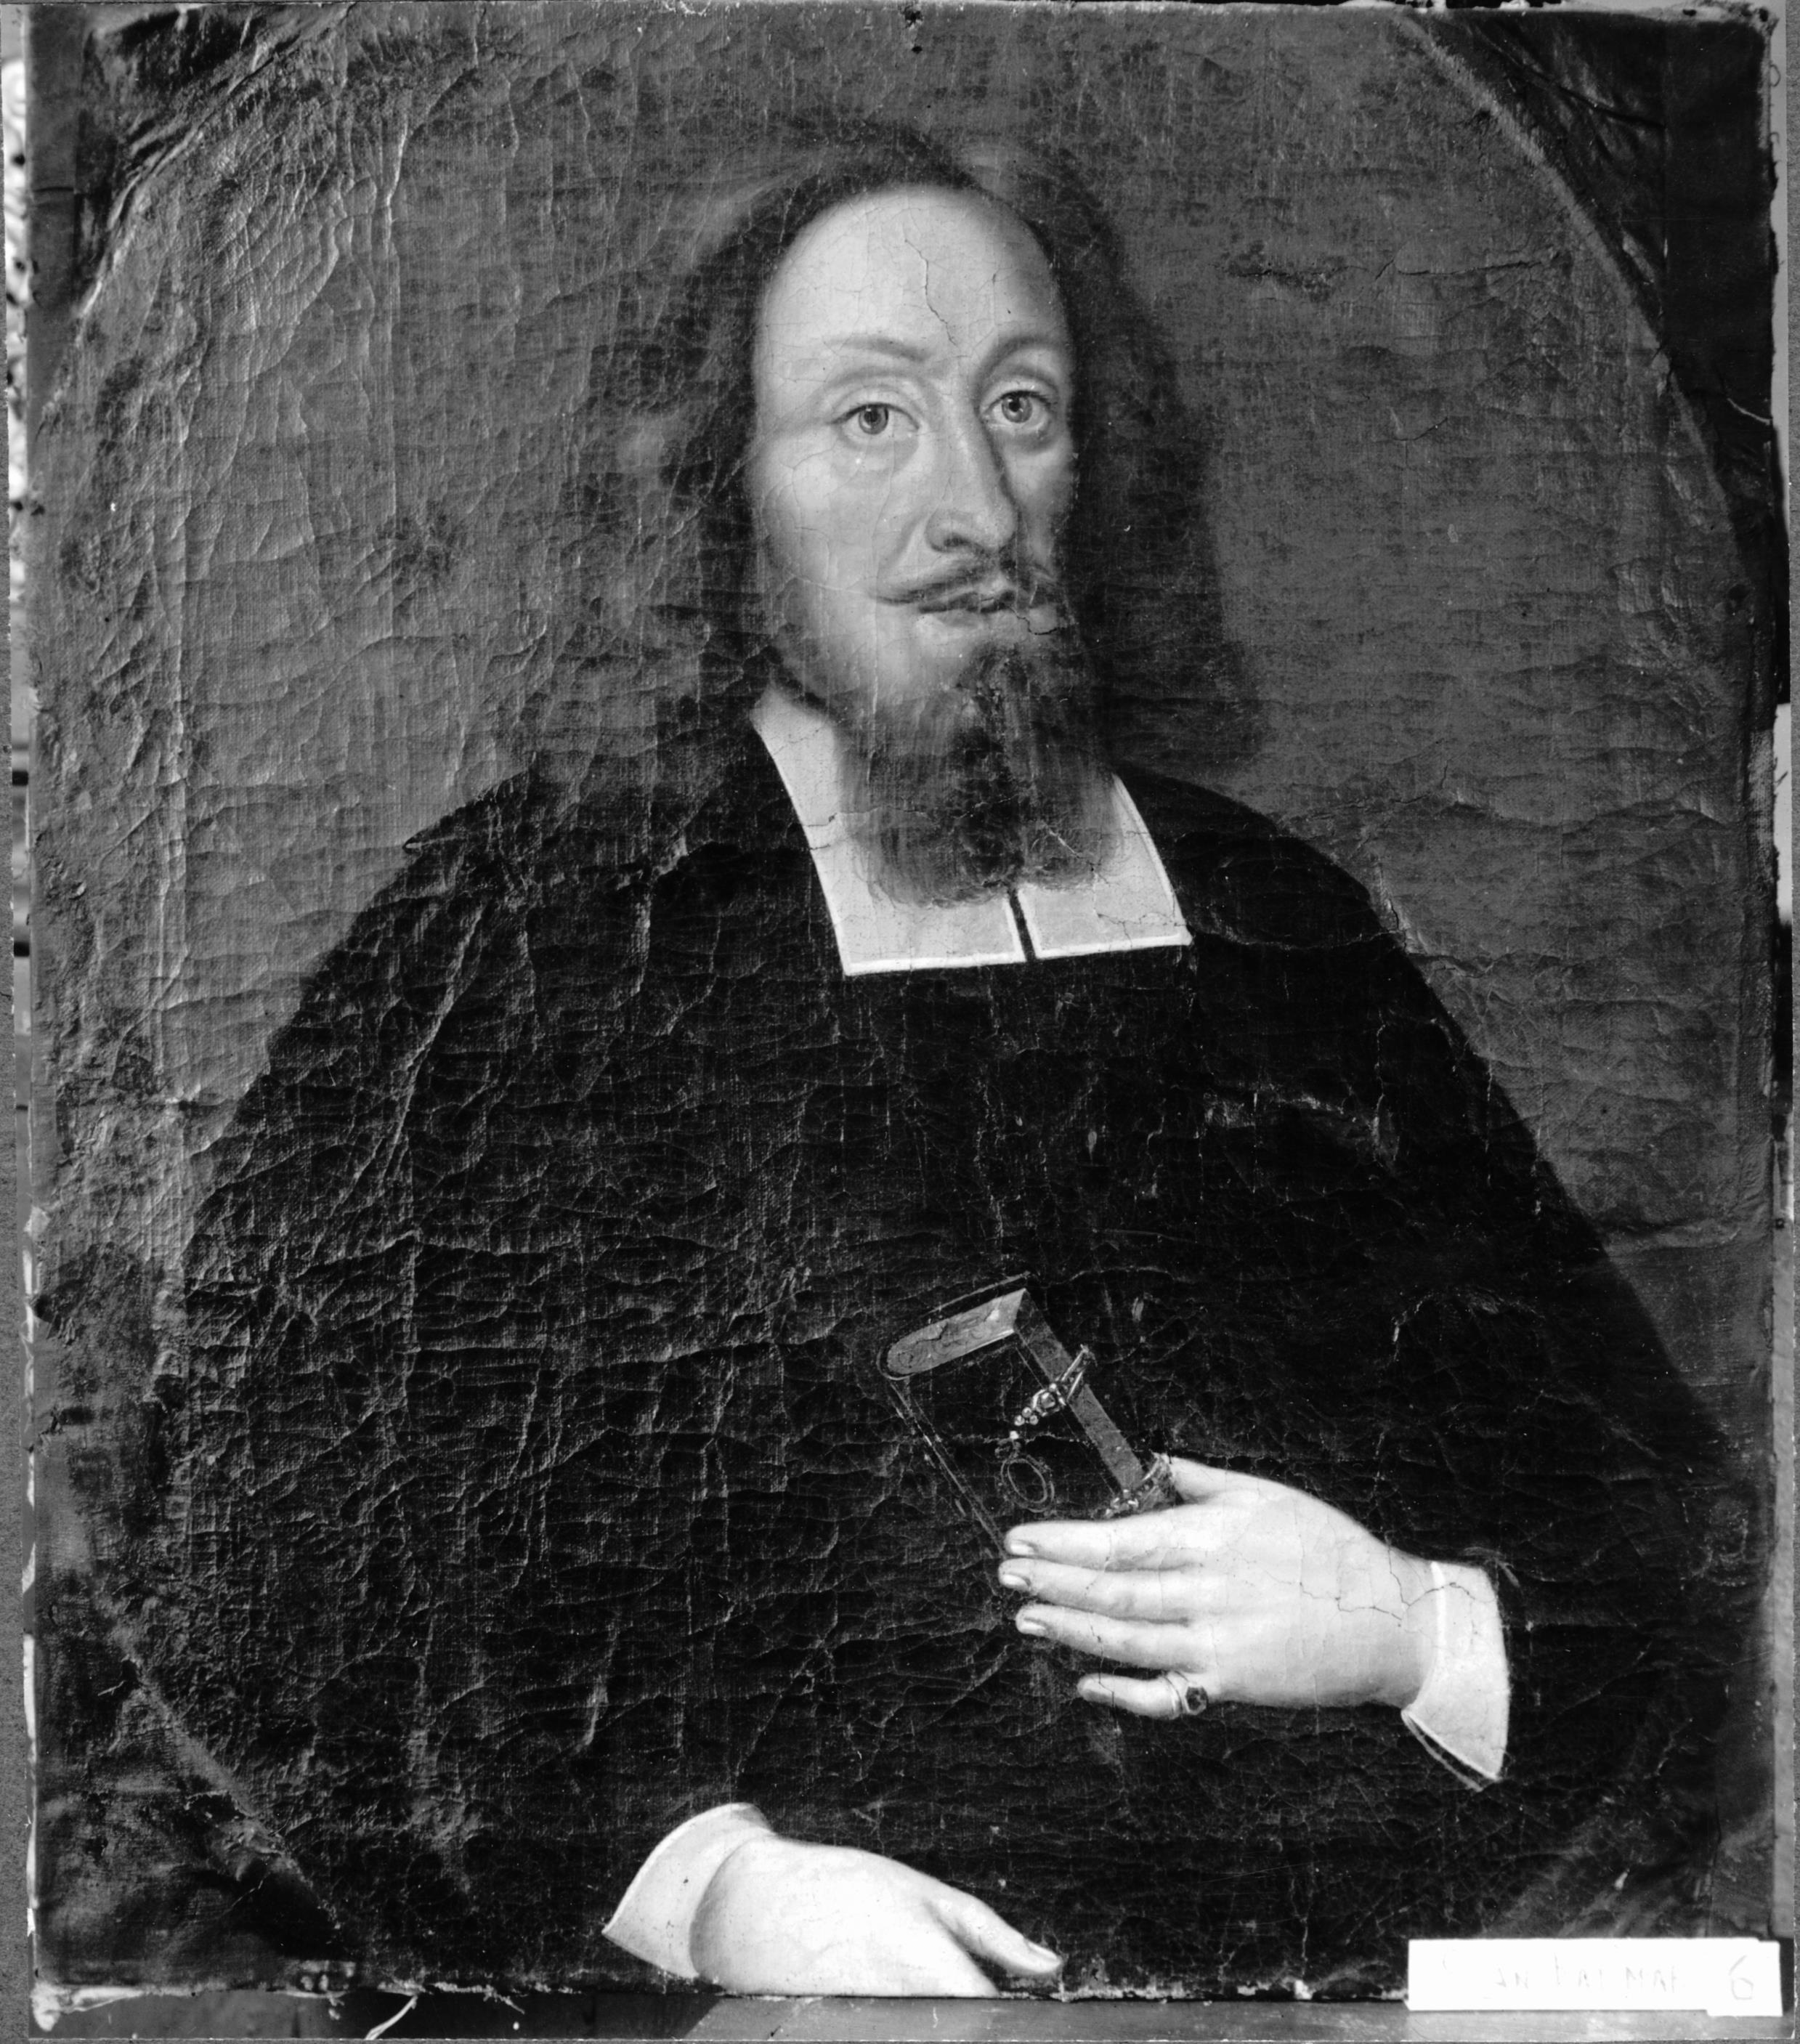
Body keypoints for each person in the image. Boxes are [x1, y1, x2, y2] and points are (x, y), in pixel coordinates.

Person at [123, 126, 1744, 2000]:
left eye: (1021, 408)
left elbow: (1675, 1557)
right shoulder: (522, 937)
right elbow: (262, 1586)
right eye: (872, 420)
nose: (974, 505)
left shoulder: (1274, 920)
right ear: (721, 494)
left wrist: (1415, 1625)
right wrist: (707, 1889)